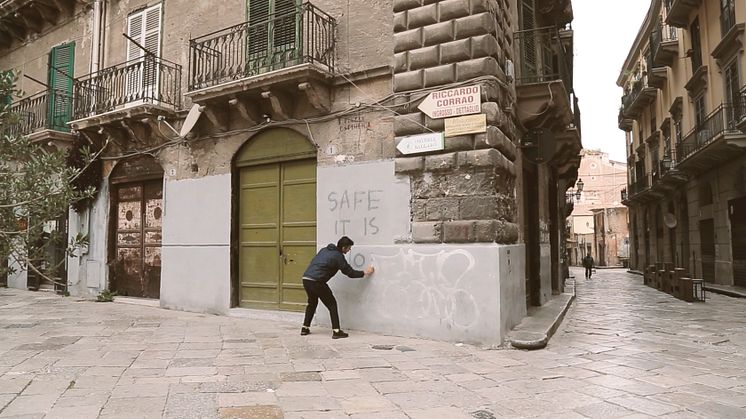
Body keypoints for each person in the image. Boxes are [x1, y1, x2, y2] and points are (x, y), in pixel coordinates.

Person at [301, 236, 374, 339]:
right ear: (343, 247)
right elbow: (350, 273)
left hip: (306, 279)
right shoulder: (338, 256)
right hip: (317, 281)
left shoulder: (324, 250)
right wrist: (365, 272)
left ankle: (305, 328)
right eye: (349, 248)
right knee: (332, 304)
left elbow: (315, 262)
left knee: (312, 303)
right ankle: (336, 331)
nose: (350, 250)